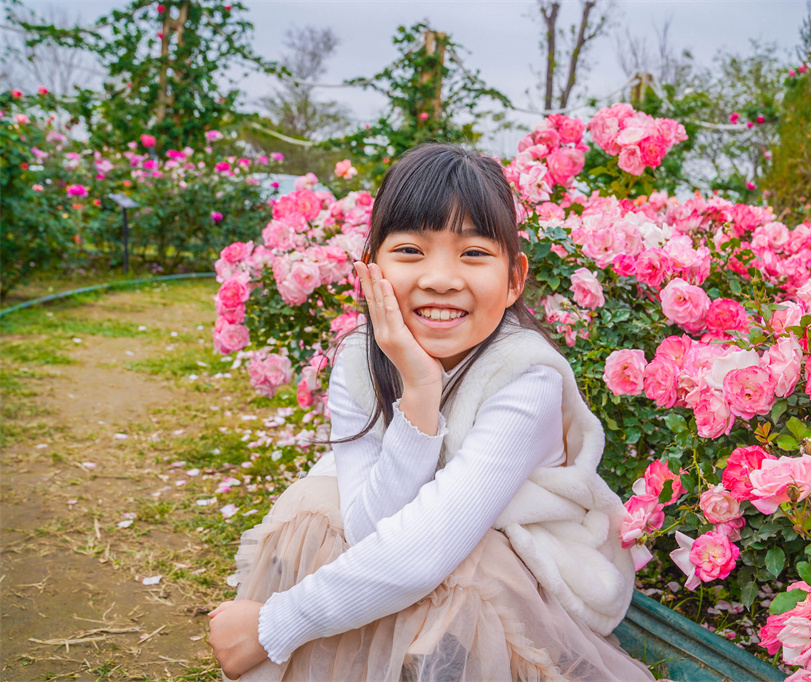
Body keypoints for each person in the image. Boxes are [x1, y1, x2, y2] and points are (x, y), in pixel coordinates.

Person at [208, 142, 657, 681]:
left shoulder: (525, 378)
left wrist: (275, 626)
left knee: (458, 568)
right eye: (410, 251)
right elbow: (369, 530)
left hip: (521, 573)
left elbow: (428, 551)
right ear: (369, 269)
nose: (441, 278)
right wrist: (420, 392)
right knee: (320, 506)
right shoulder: (359, 357)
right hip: (414, 558)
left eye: (473, 253)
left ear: (515, 278)